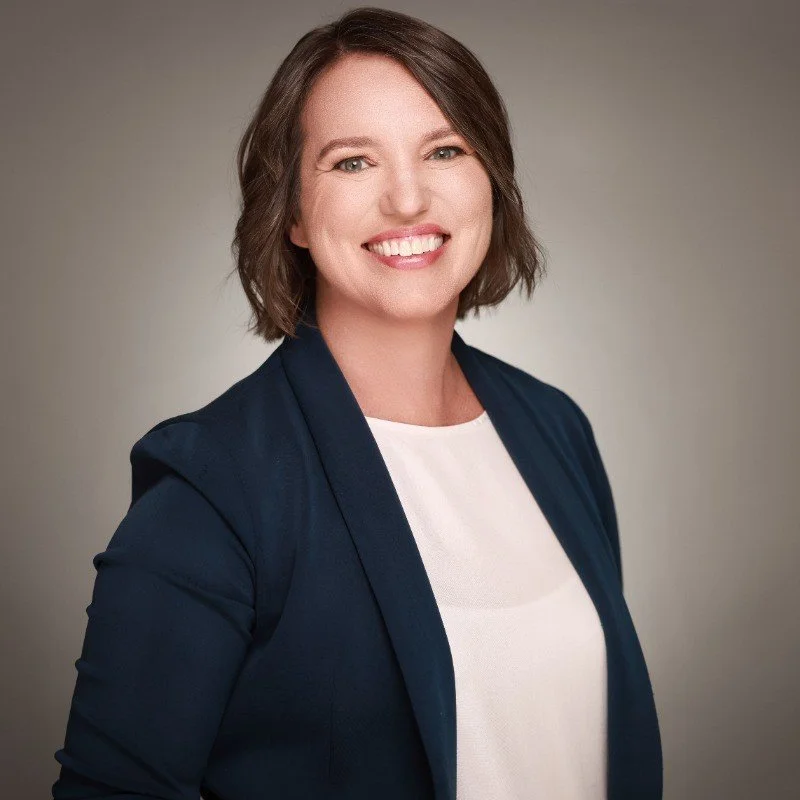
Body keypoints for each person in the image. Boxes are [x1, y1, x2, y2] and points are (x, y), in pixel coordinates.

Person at [51, 7, 662, 800]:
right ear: (295, 213)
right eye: (352, 163)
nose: (408, 199)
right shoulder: (215, 483)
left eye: (444, 150)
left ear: (492, 181)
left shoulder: (555, 428)